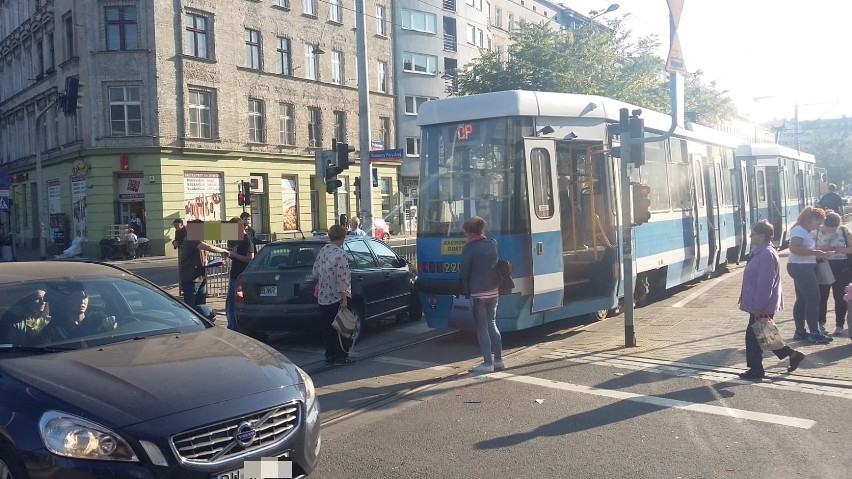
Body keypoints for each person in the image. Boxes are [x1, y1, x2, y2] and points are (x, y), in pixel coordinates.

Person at [738, 221, 806, 379]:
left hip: (762, 305)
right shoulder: (760, 252)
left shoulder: (766, 254)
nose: (750, 236)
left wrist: (758, 305)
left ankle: (756, 369)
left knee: (754, 337)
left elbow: (766, 283)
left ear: (761, 236)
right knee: (765, 335)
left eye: (752, 234)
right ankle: (793, 355)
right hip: (760, 303)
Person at [460, 215, 504, 373]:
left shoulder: (470, 248)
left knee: (482, 327)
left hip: (479, 293)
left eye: (466, 233)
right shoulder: (492, 243)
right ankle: (498, 360)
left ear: (470, 233)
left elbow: (464, 271)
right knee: (492, 324)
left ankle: (487, 363)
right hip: (494, 291)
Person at [786, 206, 834, 344]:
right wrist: (816, 253)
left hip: (801, 266)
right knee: (814, 298)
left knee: (802, 299)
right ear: (812, 218)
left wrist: (820, 251)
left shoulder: (803, 230)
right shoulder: (799, 230)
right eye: (818, 222)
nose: (818, 225)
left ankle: (800, 331)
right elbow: (794, 248)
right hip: (801, 267)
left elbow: (803, 248)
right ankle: (814, 332)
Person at [312, 224, 353, 365]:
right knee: (340, 328)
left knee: (327, 328)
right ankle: (342, 356)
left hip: (323, 297)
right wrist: (344, 299)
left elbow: (315, 272)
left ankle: (329, 356)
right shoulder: (340, 254)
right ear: (342, 237)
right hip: (336, 296)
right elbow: (343, 279)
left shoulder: (323, 250)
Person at [816, 210, 852, 336]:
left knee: (840, 297)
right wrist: (824, 249)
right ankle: (821, 323)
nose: (831, 230)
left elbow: (851, 248)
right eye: (828, 228)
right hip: (824, 265)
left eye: (833, 228)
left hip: (842, 268)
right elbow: (812, 248)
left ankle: (839, 325)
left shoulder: (844, 231)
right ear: (824, 224)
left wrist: (841, 249)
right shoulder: (817, 231)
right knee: (822, 296)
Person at [179, 220, 230, 307]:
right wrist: (224, 250)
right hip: (191, 280)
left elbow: (204, 260)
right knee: (191, 308)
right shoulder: (190, 239)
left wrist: (216, 262)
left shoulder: (198, 240)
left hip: (201, 278)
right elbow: (209, 247)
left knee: (201, 307)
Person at [40, 284, 117, 342]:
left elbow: (111, 339)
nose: (82, 302)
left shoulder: (98, 318)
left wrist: (111, 329)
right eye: (77, 298)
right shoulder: (56, 327)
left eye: (84, 297)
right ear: (67, 301)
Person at [226, 217, 254, 330]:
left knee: (236, 302)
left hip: (241, 275)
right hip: (234, 274)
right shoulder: (236, 239)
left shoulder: (247, 239)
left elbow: (250, 258)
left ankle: (235, 326)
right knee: (230, 302)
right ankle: (231, 325)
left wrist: (235, 255)